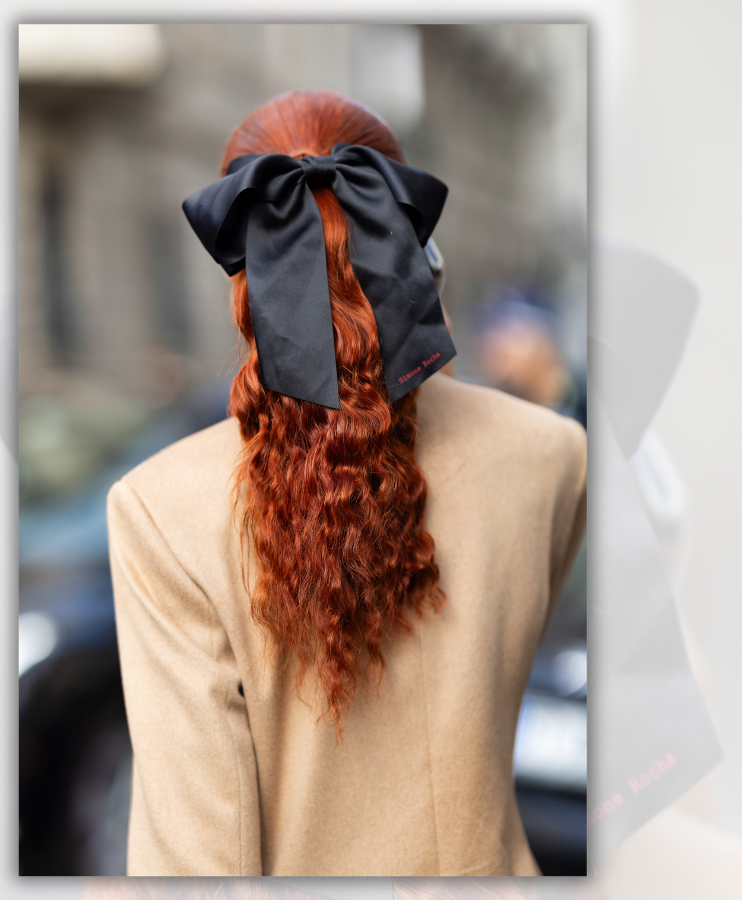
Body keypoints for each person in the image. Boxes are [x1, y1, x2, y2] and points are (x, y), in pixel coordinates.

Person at [106, 90, 587, 876]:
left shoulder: (158, 509)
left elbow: (196, 862)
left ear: (243, 275)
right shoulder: (553, 453)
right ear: (416, 250)